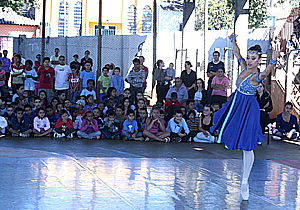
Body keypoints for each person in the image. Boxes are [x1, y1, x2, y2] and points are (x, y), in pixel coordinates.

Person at [210, 33, 280, 201]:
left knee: (248, 147)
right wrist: (233, 40)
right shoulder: (243, 67)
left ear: (258, 60)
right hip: (237, 103)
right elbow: (237, 54)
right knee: (230, 133)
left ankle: (244, 181)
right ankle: (242, 178)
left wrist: (274, 60)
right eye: (249, 57)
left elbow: (266, 72)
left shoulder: (256, 76)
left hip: (249, 108)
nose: (249, 60)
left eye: (253, 58)